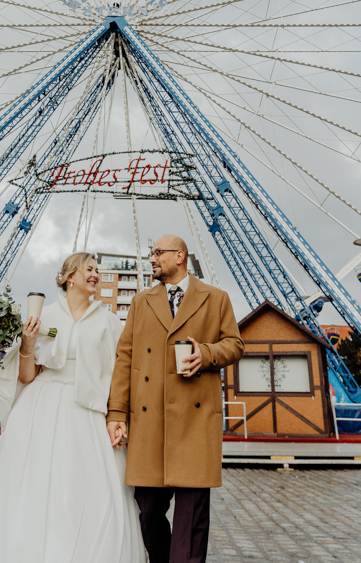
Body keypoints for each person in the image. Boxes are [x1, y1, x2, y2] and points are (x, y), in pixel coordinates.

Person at [0, 252, 145, 563]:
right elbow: (27, 376)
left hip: (90, 410)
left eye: (98, 270)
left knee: (93, 489)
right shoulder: (46, 316)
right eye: (90, 269)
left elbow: (120, 374)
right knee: (36, 485)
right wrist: (27, 344)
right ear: (71, 276)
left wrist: (118, 415)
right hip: (43, 406)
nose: (96, 275)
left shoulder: (110, 322)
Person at [107, 234, 244, 563]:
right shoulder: (141, 301)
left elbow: (235, 344)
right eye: (151, 253)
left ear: (180, 255)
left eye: (158, 253)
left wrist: (206, 353)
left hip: (195, 419)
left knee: (192, 516)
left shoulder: (216, 298)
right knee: (147, 511)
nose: (152, 259)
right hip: (149, 417)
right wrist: (116, 412)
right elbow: (125, 357)